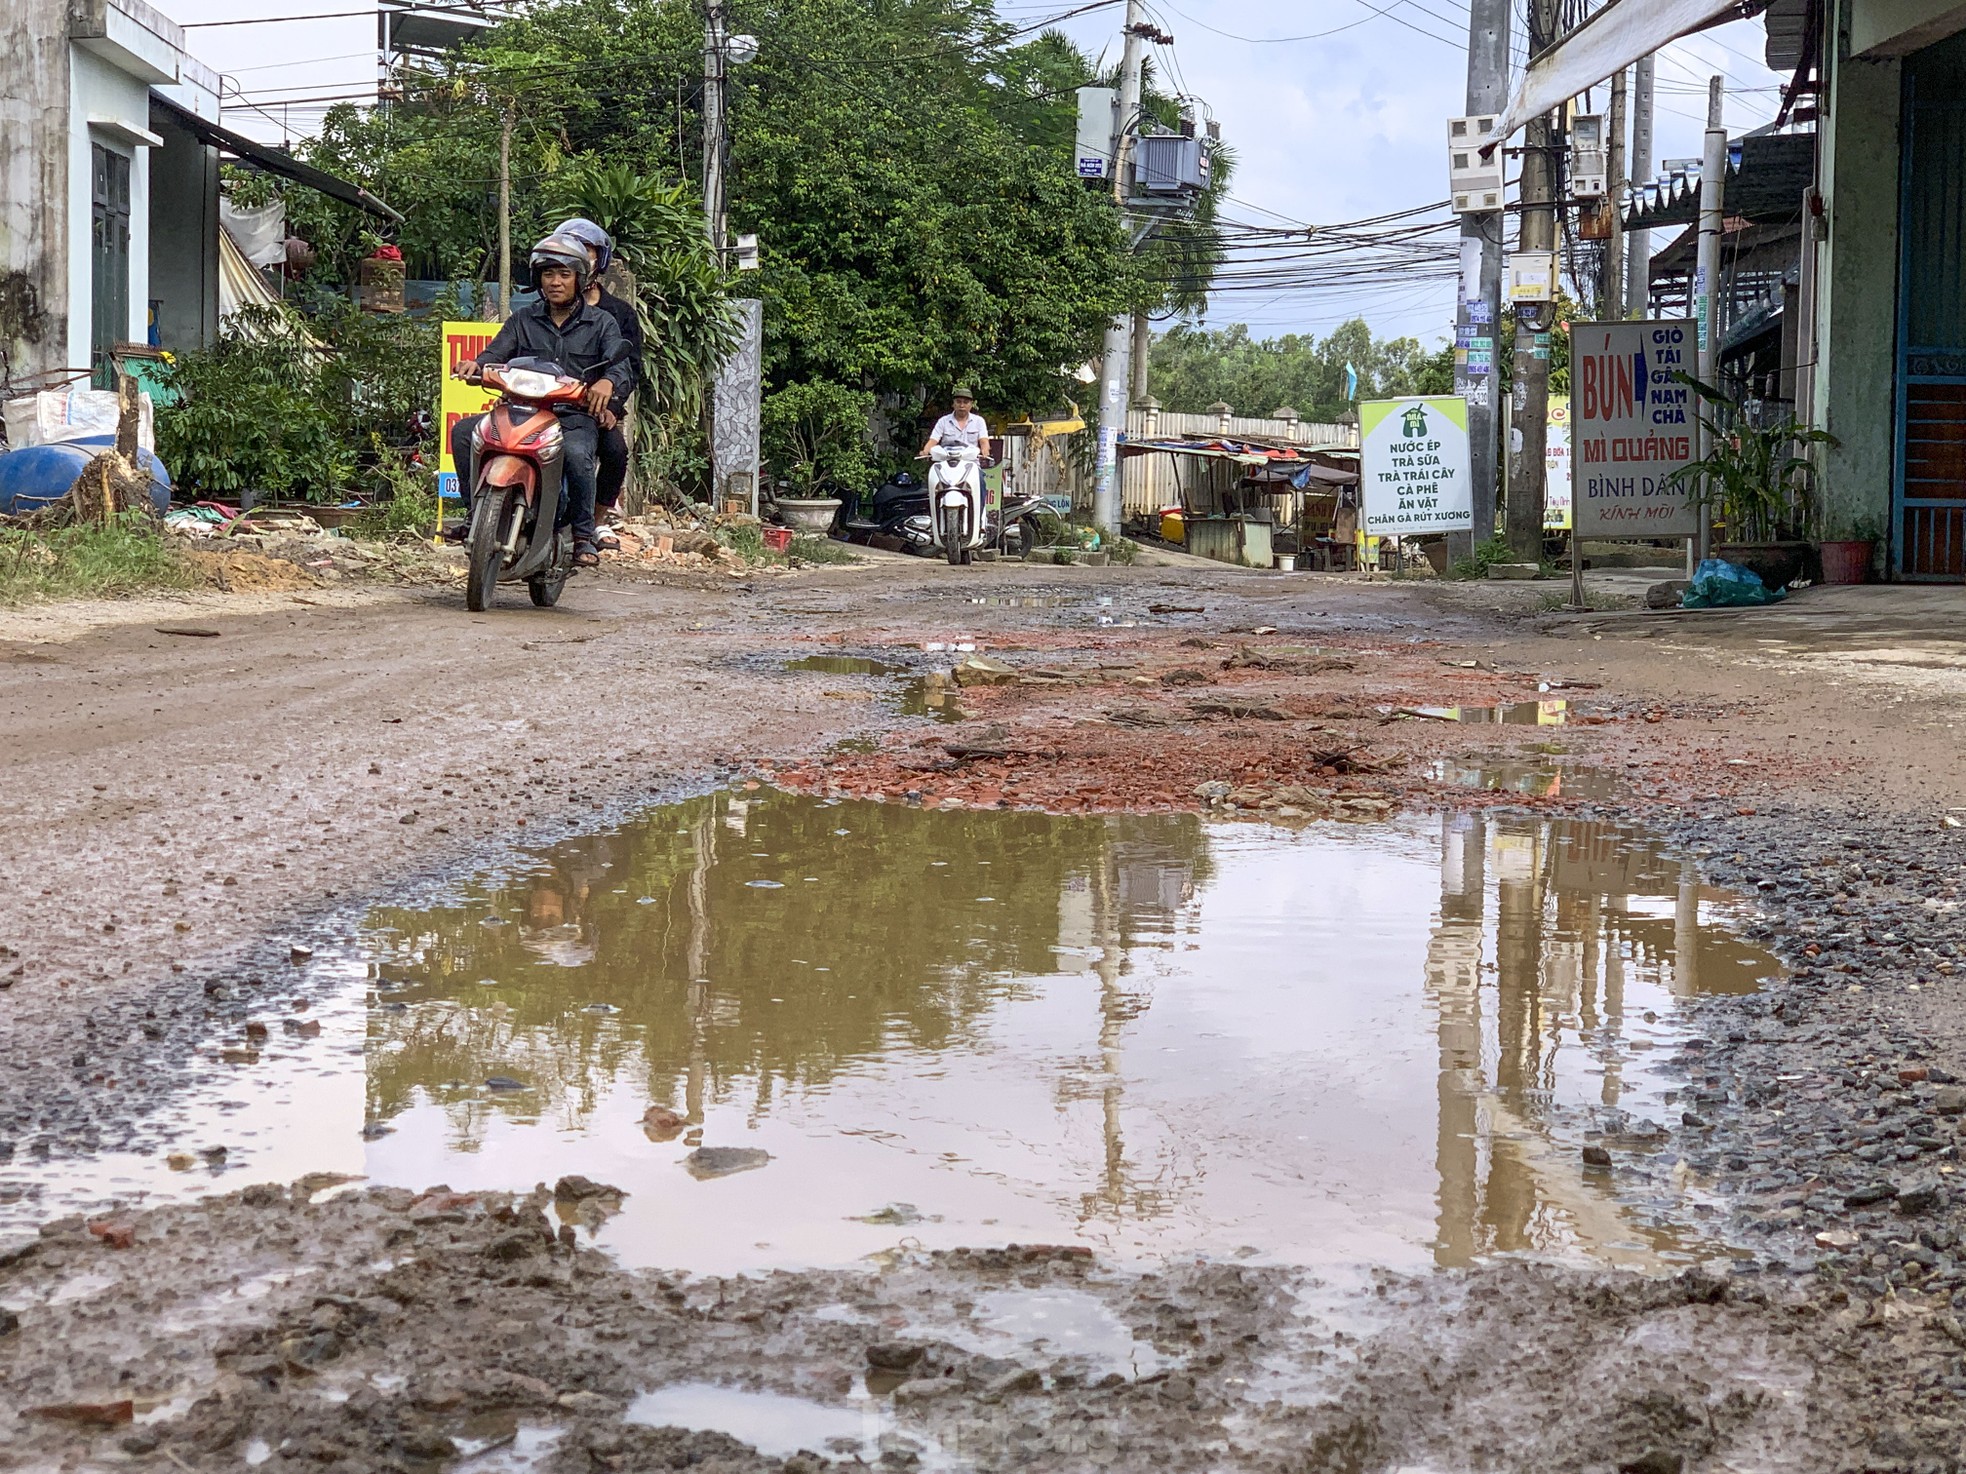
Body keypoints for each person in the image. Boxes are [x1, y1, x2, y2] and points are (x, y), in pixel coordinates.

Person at [449, 234, 626, 567]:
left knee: (576, 453)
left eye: (564, 275)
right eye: (548, 274)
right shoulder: (522, 320)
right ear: (538, 279)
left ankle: (584, 535)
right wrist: (477, 364)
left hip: (572, 417)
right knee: (464, 433)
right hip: (519, 411)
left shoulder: (602, 323)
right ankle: (476, 515)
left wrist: (607, 381)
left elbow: (620, 367)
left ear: (580, 278)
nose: (555, 282)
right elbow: (495, 353)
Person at [554, 217, 644, 548]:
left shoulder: (618, 315)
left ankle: (593, 522)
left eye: (586, 249)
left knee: (615, 451)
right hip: (548, 401)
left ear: (600, 259)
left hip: (597, 408)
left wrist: (612, 403)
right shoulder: (544, 309)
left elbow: (629, 365)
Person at [918, 386, 992, 462]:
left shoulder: (979, 421)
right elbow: (933, 440)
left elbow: (984, 441)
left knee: (980, 474)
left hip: (971, 464)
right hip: (946, 463)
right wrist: (925, 451)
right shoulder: (943, 421)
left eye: (965, 402)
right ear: (953, 404)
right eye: (958, 402)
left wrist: (985, 450)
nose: (962, 405)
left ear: (971, 405)